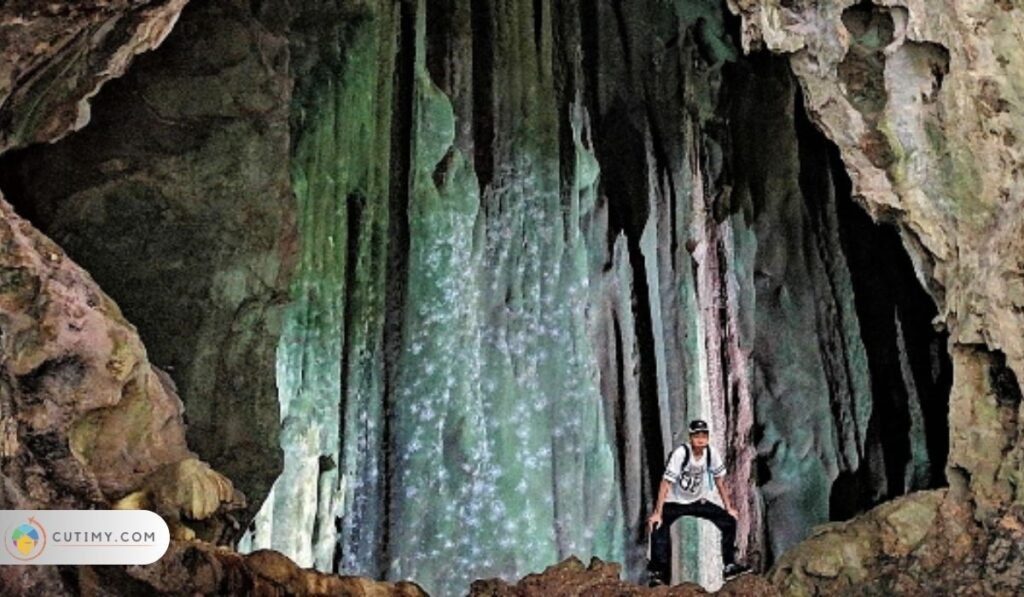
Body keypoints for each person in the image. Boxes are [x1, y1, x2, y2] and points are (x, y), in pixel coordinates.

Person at [646, 419, 750, 586]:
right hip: (675, 501)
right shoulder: (680, 454)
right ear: (690, 437)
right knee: (658, 526)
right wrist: (657, 512)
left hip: (697, 500)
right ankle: (658, 572)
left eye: (703, 435)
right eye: (696, 435)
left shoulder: (711, 454)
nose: (700, 439)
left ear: (708, 437)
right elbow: (665, 483)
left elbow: (720, 482)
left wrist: (728, 507)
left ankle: (729, 565)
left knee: (728, 521)